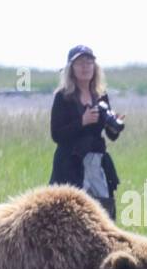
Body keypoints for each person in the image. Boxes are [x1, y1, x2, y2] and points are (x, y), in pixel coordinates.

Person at [49, 44, 124, 218]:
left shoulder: (100, 95)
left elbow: (111, 135)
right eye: (80, 63)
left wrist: (115, 125)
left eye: (89, 62)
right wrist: (81, 122)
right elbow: (56, 135)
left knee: (105, 215)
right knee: (69, 216)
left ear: (95, 68)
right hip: (71, 163)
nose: (85, 67)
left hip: (96, 162)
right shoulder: (63, 97)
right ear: (71, 69)